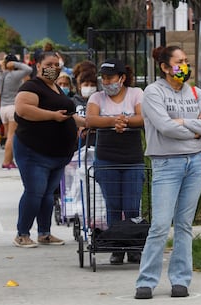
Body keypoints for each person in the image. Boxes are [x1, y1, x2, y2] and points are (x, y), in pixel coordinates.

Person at [134, 46, 201, 299]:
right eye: (179, 61)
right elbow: (164, 127)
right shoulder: (153, 92)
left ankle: (181, 280)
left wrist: (183, 123)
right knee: (160, 224)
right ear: (165, 66)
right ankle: (146, 281)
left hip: (196, 161)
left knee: (184, 224)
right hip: (166, 163)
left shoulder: (196, 92)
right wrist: (195, 130)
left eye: (186, 61)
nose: (184, 65)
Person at [13, 51, 85, 248]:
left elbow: (68, 115)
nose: (54, 68)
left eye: (57, 64)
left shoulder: (56, 88)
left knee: (47, 195)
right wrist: (52, 116)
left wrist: (85, 123)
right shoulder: (31, 87)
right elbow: (23, 109)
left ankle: (44, 232)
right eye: (49, 64)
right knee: (34, 192)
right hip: (33, 151)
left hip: (57, 154)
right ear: (38, 66)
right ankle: (22, 233)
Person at [85, 58, 144, 265]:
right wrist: (113, 121)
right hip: (107, 157)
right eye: (104, 77)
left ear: (122, 78)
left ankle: (134, 245)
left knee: (131, 205)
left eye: (110, 77)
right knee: (113, 205)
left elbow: (143, 117)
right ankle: (116, 246)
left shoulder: (136, 94)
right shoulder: (97, 97)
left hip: (132, 158)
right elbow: (91, 120)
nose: (106, 81)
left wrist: (124, 121)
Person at [0, 53, 32, 169]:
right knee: (12, 136)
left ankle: (9, 160)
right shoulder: (15, 75)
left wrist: (1, 63)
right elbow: (28, 69)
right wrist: (15, 64)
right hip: (13, 107)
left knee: (8, 135)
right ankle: (7, 161)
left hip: (3, 108)